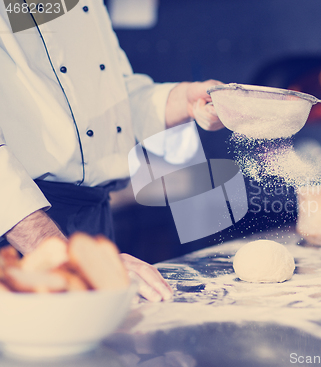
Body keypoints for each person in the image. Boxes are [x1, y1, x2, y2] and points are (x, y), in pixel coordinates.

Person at [0, 1, 224, 301]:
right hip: (24, 233)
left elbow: (113, 99)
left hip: (91, 223)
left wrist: (183, 100)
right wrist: (65, 258)